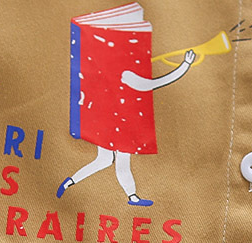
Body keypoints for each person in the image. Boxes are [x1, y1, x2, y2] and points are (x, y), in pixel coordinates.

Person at [57, 49, 196, 205]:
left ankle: (70, 182)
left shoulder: (106, 73)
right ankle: (132, 197)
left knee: (104, 160)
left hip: (104, 123)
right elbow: (155, 83)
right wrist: (185, 65)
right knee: (119, 160)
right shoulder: (127, 74)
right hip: (120, 125)